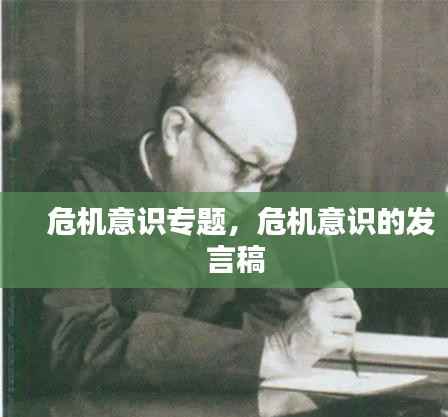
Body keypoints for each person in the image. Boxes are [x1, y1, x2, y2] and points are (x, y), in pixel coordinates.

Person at [34, 25, 361, 393]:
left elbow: (276, 314)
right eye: (242, 168)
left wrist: (268, 346)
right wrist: (264, 352)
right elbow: (74, 341)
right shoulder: (74, 195)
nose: (252, 197)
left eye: (268, 177)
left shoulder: (238, 203)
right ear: (176, 131)